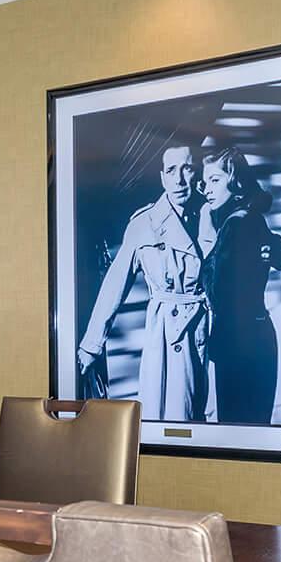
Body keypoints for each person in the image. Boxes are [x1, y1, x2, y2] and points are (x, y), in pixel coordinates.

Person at [76, 136, 209, 422]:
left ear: (196, 171)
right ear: (162, 178)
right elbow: (114, 286)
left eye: (187, 169)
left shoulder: (213, 214)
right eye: (171, 171)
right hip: (167, 335)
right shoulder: (144, 224)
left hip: (212, 335)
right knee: (174, 421)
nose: (180, 180)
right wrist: (91, 346)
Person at [197, 142, 281, 425]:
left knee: (238, 436)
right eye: (204, 182)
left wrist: (206, 234)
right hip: (255, 339)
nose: (207, 189)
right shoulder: (251, 218)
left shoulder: (234, 224)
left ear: (234, 182)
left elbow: (215, 292)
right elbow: (277, 253)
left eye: (215, 180)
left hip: (240, 347)